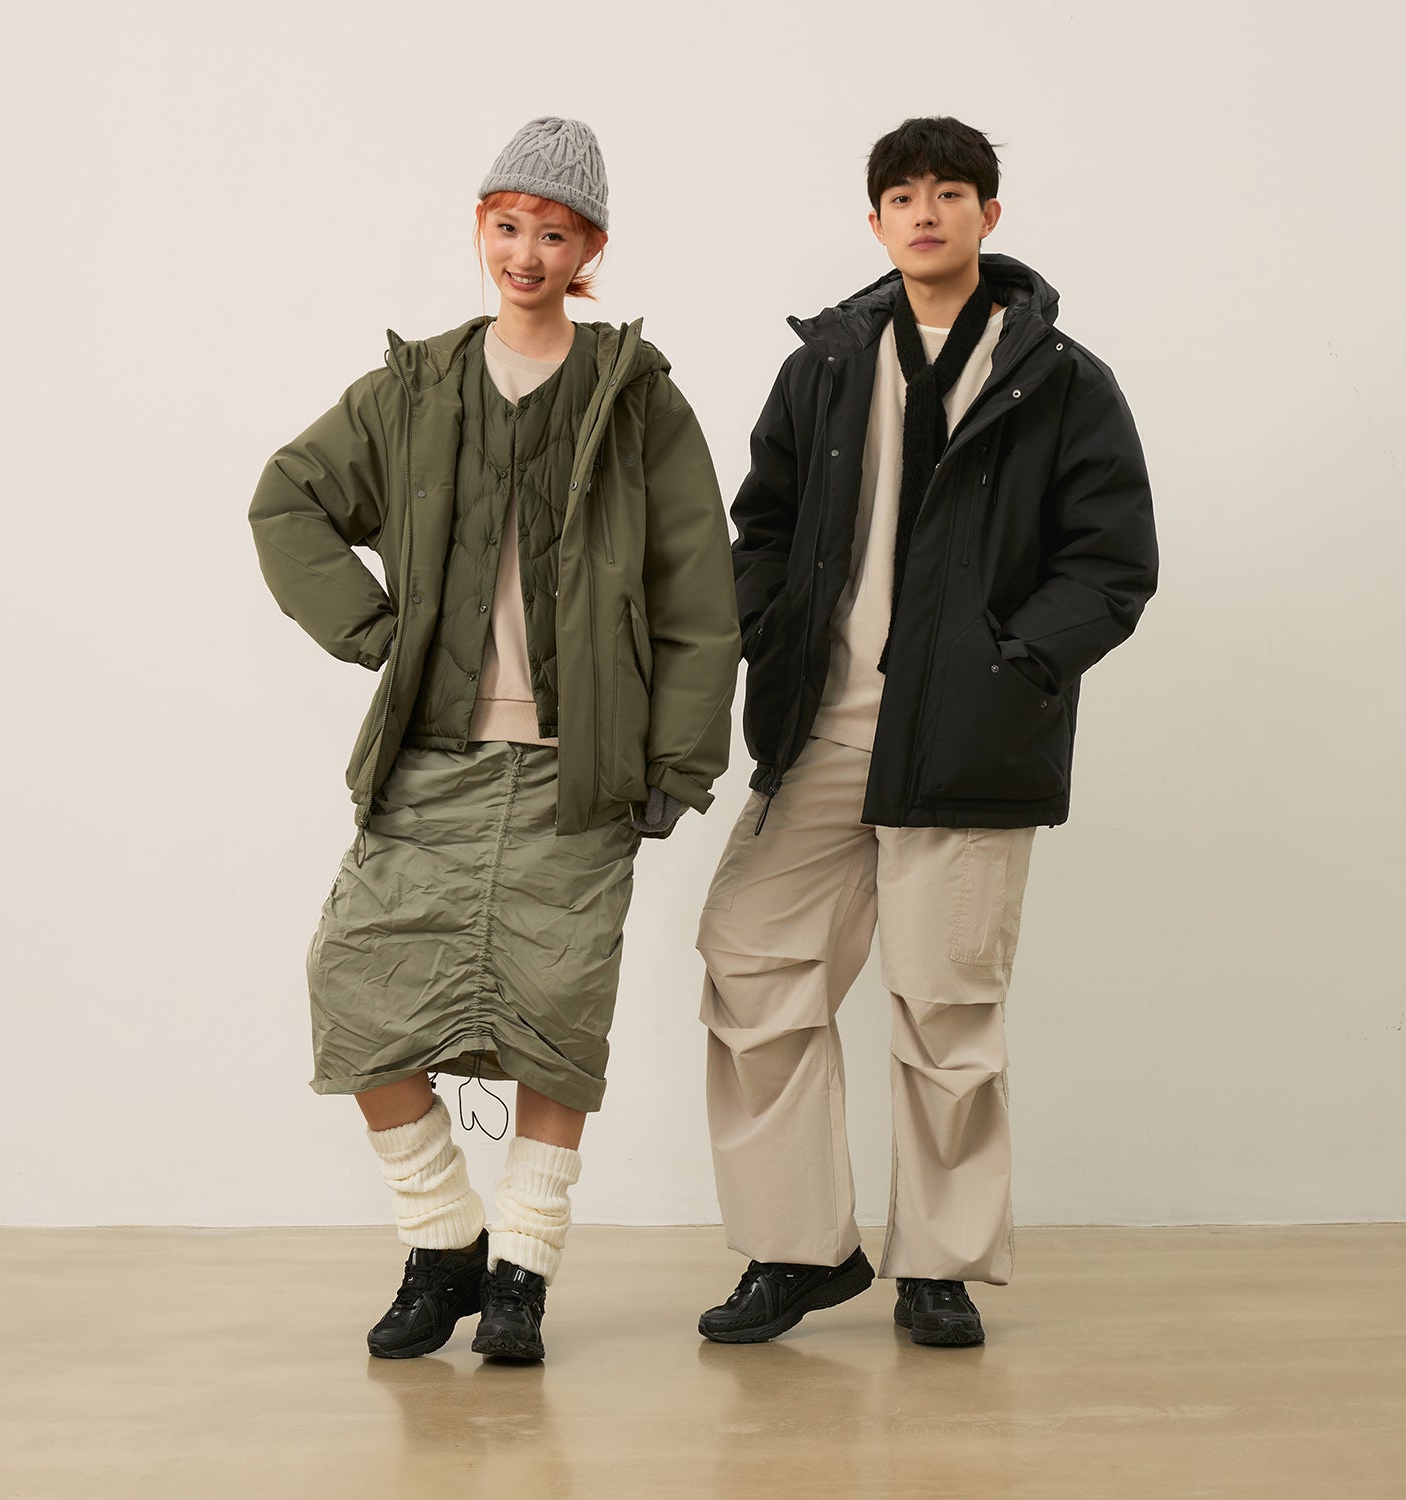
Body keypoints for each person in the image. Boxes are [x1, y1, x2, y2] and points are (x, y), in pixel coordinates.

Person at [249, 117, 739, 1363]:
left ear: (592, 250)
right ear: (480, 228)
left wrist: (678, 763)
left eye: (554, 233)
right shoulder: (415, 389)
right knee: (354, 986)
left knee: (557, 1019)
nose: (527, 253)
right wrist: (376, 633)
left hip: (584, 767)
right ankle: (442, 1242)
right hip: (432, 757)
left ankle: (522, 1271)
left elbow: (698, 594)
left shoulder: (636, 397)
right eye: (508, 225)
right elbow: (289, 498)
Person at [695, 116, 1157, 1348]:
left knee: (946, 1010)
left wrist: (1009, 672)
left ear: (989, 216)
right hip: (822, 732)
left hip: (967, 744)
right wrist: (768, 633)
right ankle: (798, 1249)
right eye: (902, 196)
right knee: (752, 962)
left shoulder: (1063, 380)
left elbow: (1112, 563)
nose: (926, 212)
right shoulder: (826, 365)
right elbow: (764, 526)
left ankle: (937, 1267)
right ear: (876, 222)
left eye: (951, 192)